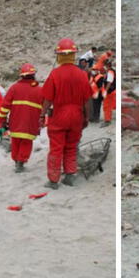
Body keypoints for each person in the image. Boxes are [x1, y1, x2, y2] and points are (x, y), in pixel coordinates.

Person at [40, 38, 92, 189]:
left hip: (59, 115)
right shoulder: (82, 75)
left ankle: (53, 180)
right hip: (77, 115)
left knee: (56, 148)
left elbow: (48, 99)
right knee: (71, 146)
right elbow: (87, 99)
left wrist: (42, 115)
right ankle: (70, 175)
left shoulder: (55, 74)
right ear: (74, 55)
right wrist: (86, 117)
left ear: (59, 56)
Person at [0, 63, 43, 172]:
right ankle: (21, 162)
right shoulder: (39, 89)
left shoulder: (14, 88)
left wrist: (2, 120)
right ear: (33, 75)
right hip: (31, 123)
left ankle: (17, 161)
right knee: (26, 143)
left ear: (21, 75)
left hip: (15, 121)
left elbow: (4, 106)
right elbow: (44, 108)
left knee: (16, 141)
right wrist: (41, 122)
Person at [100, 58, 116, 128]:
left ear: (106, 65)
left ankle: (107, 120)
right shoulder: (110, 71)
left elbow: (109, 82)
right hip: (112, 91)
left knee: (107, 106)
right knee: (112, 104)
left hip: (110, 92)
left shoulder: (110, 72)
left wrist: (105, 91)